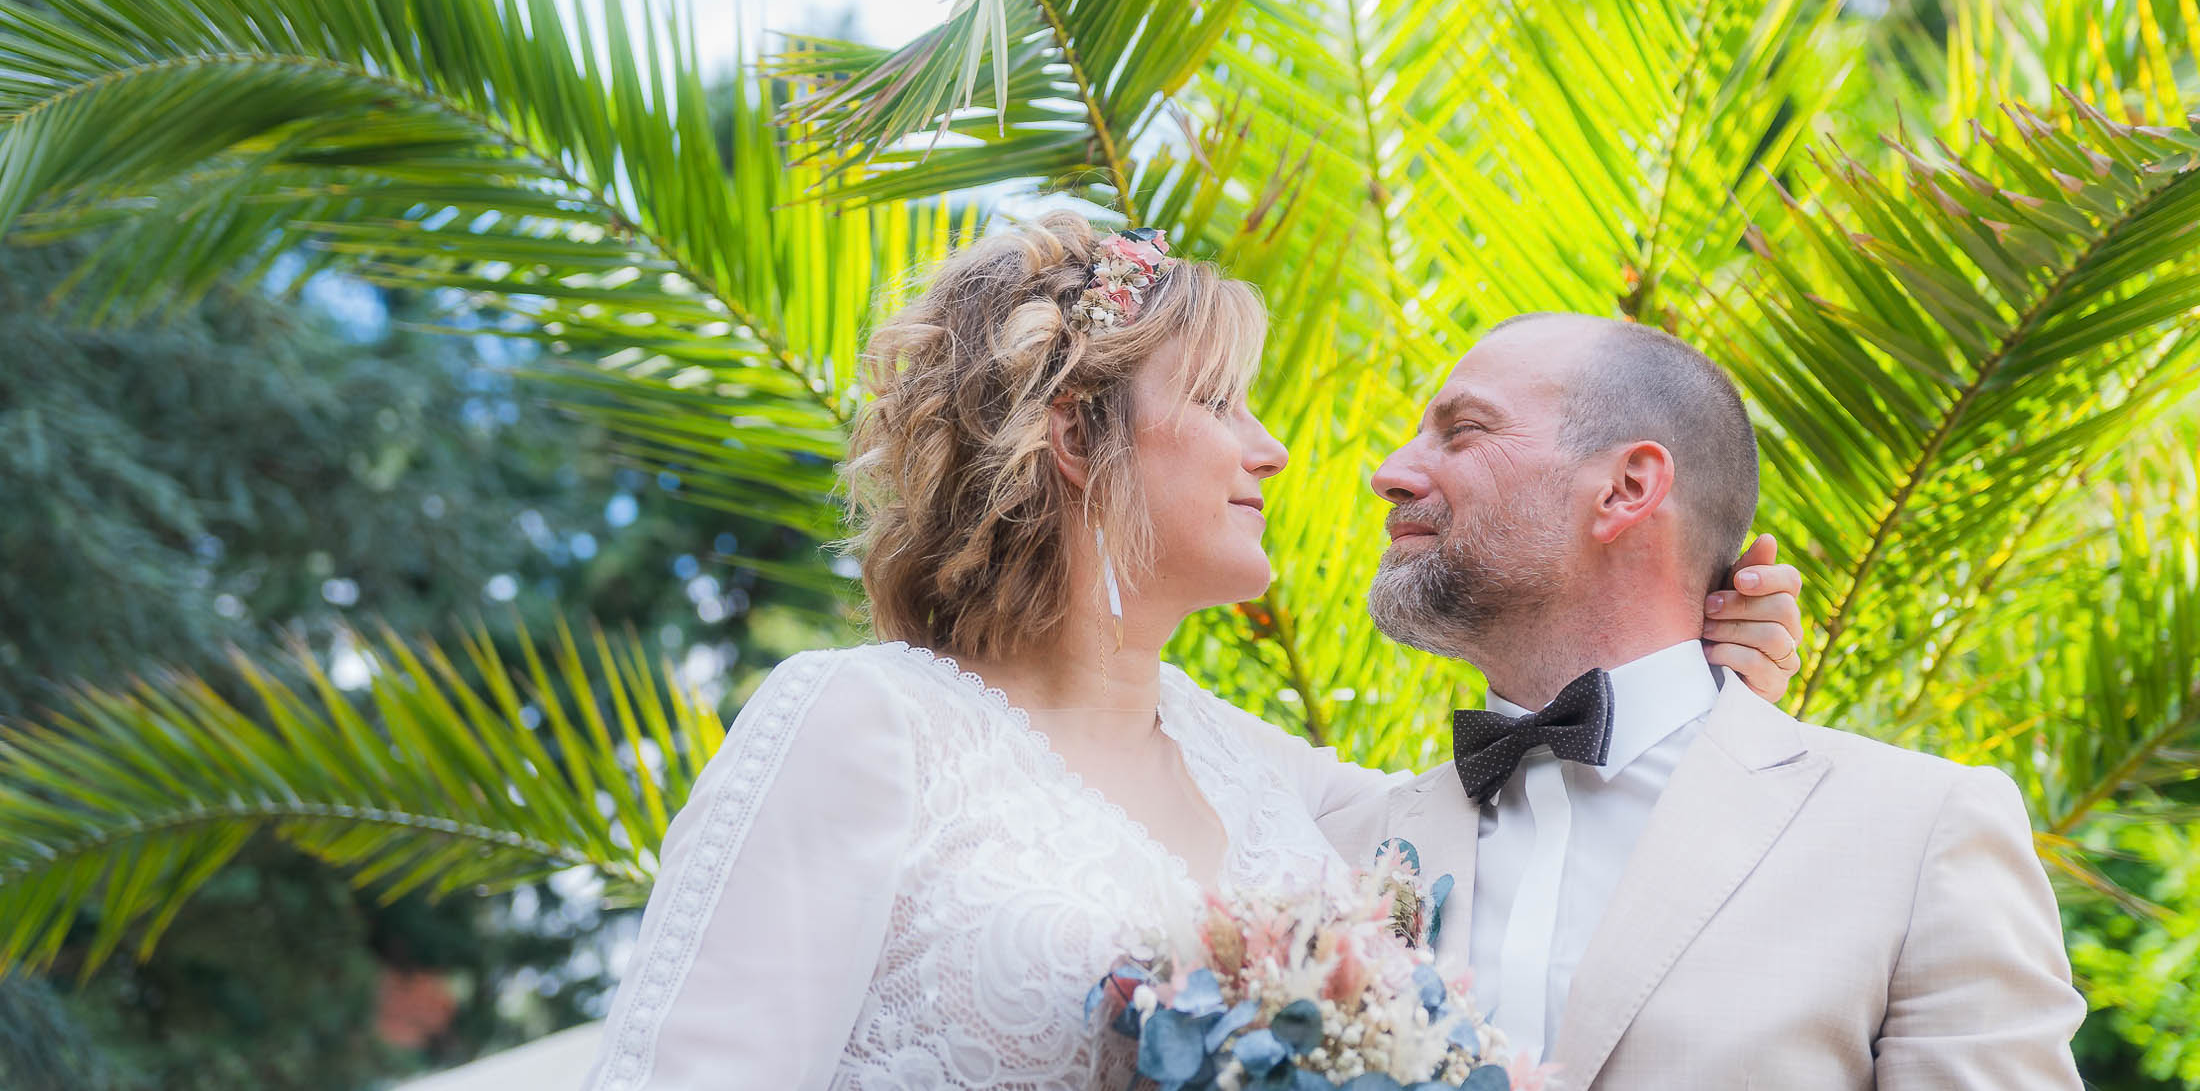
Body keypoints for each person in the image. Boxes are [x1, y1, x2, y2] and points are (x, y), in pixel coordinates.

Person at [581, 217, 1805, 1090]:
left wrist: (1702, 679)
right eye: (1220, 401)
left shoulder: (1271, 778)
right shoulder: (860, 722)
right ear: (1076, 432)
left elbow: (1544, 795)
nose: (1268, 449)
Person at [1316, 313, 2085, 1089]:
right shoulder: (1330, 839)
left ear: (1626, 488)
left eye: (1463, 431)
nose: (1391, 471)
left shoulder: (1919, 832)